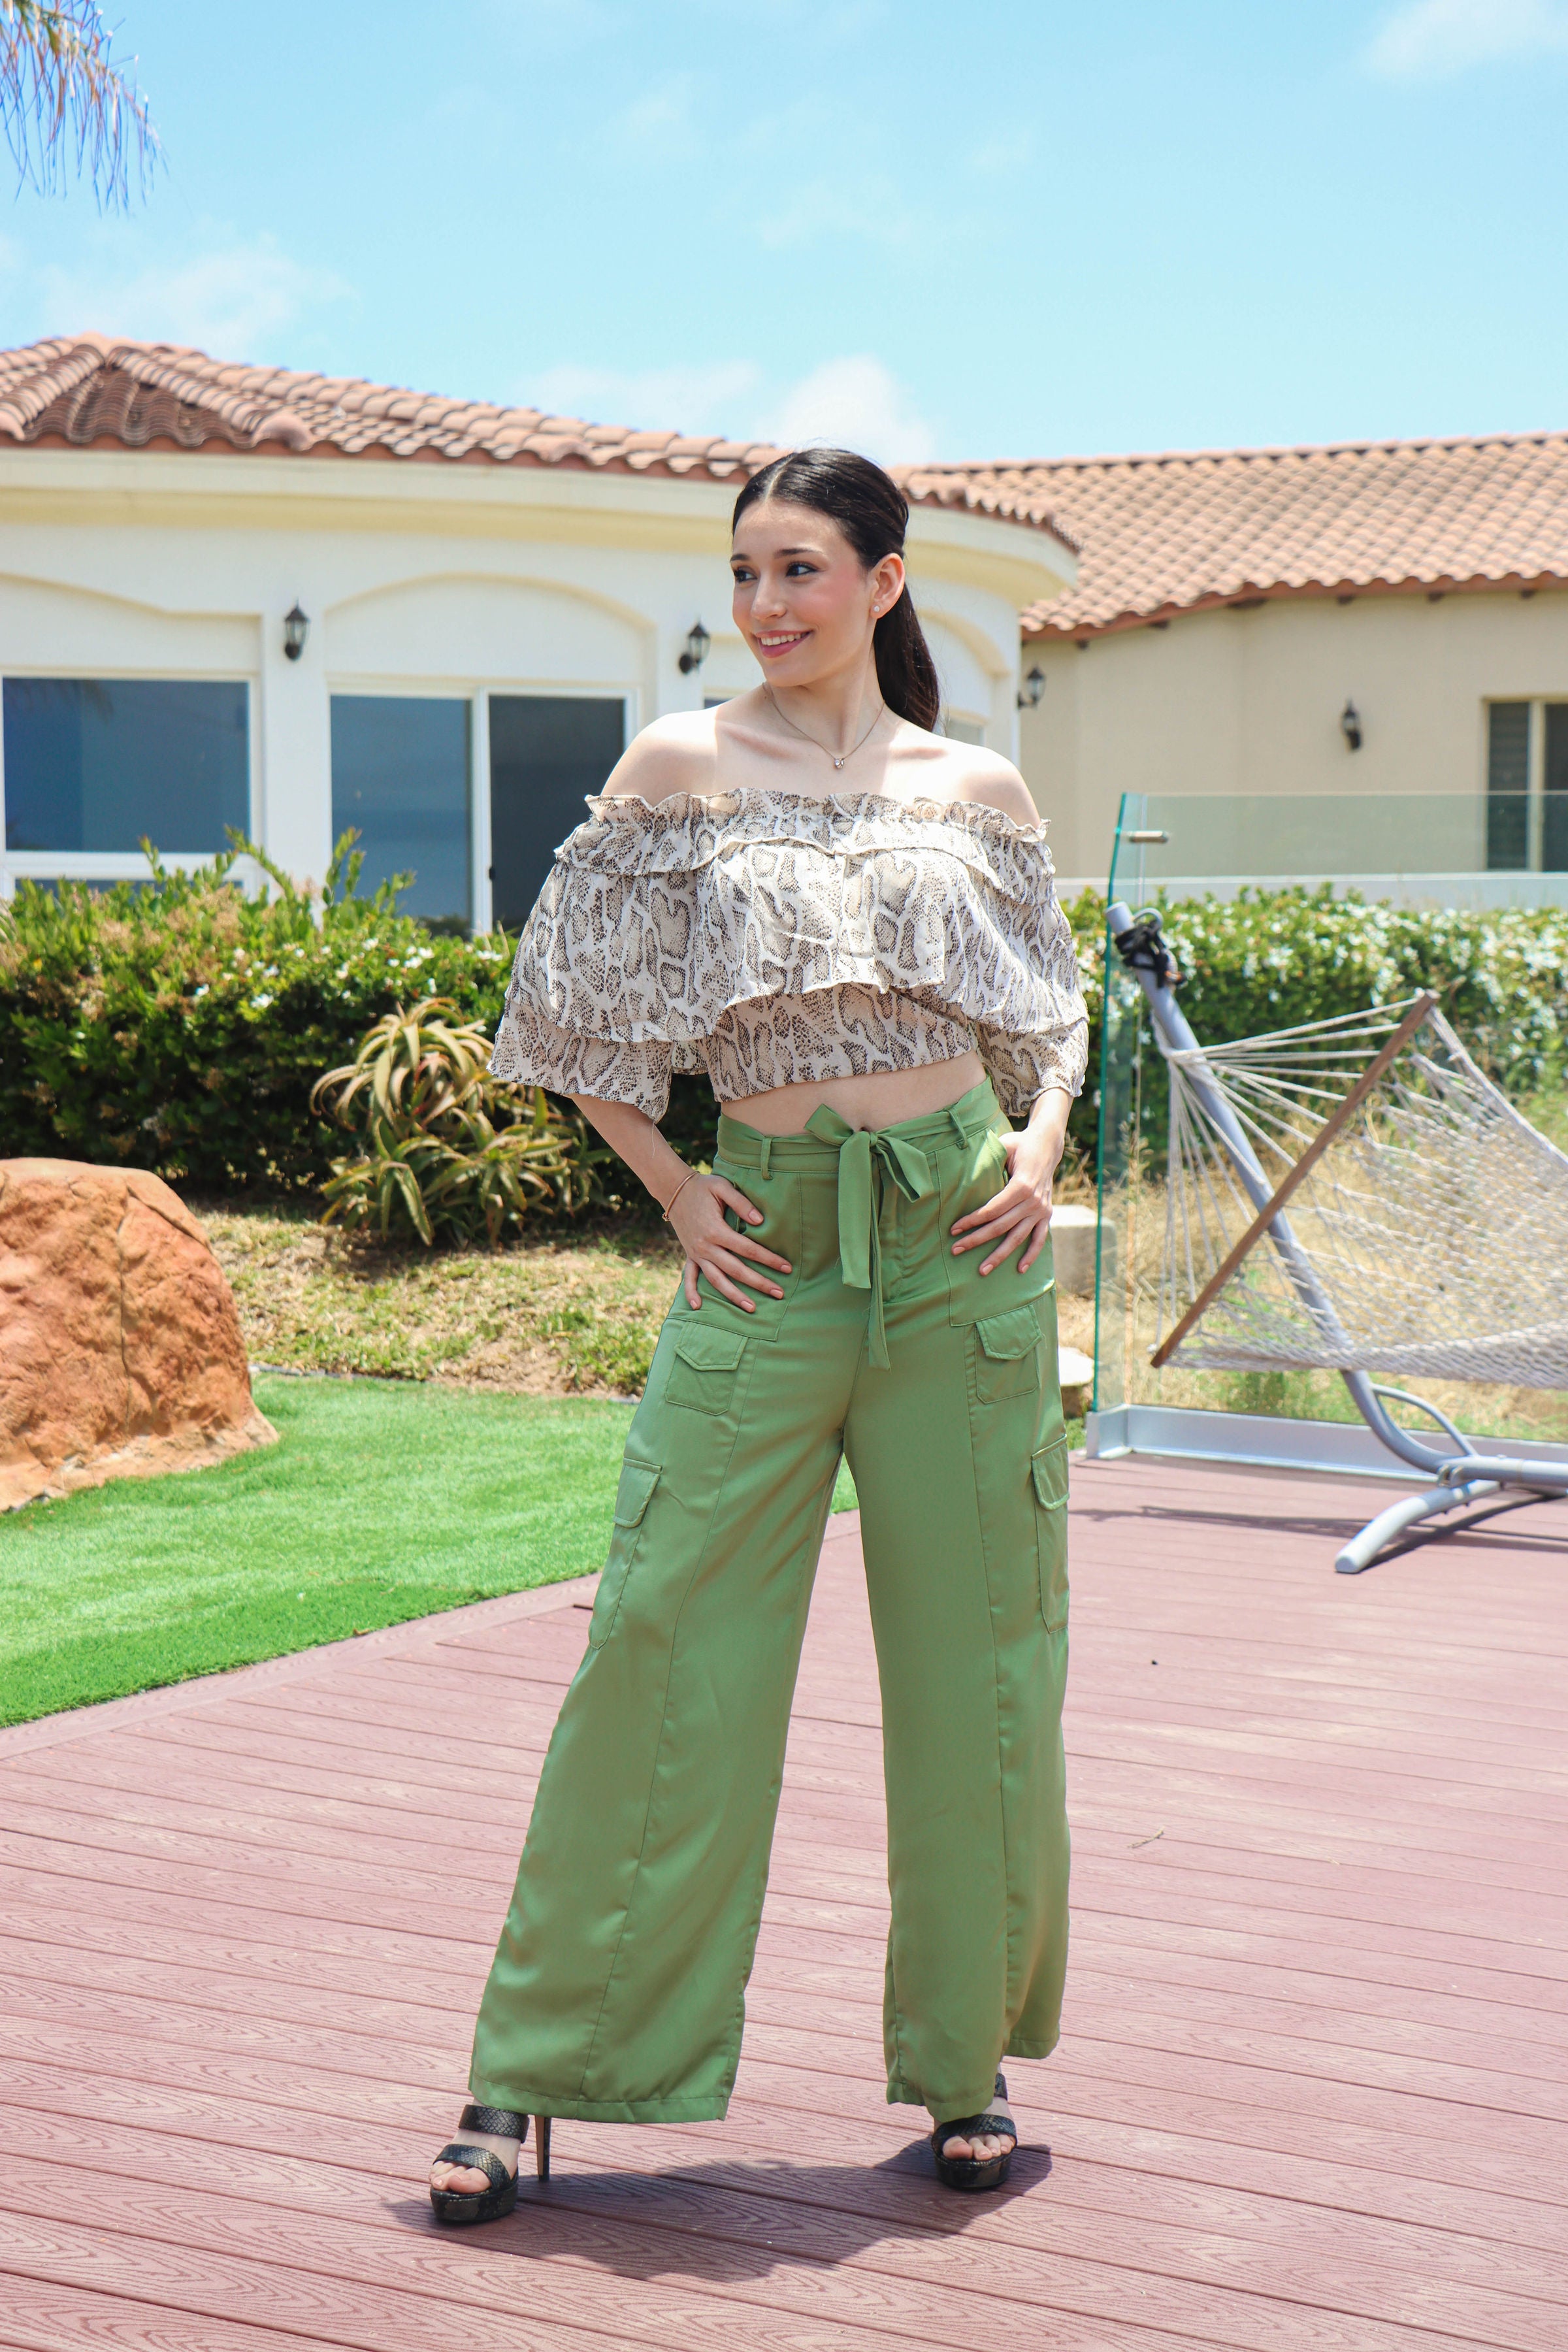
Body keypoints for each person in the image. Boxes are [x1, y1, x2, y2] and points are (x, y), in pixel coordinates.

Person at [429, 447, 1087, 2220]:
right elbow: (563, 1018)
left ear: (884, 582)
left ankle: (968, 2063)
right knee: (658, 1646)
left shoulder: (981, 788)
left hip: (962, 1251)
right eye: (744, 574)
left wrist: (1033, 1154)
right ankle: (536, 2066)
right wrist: (674, 1185)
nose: (768, 607)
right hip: (766, 1251)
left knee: (983, 1677)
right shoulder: (680, 772)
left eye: (802, 570)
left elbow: (1051, 1011)